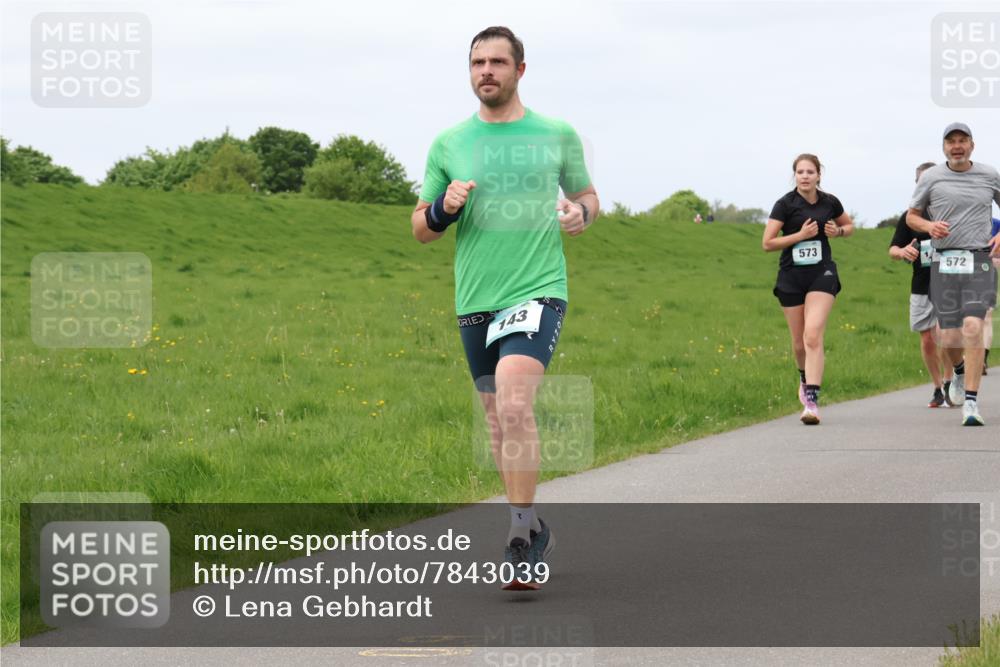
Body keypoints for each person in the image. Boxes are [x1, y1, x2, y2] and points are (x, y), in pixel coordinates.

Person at [410, 26, 599, 588]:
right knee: (497, 421)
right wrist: (443, 208)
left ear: (520, 69)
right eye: (476, 63)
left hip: (538, 289)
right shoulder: (449, 143)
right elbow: (421, 229)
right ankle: (534, 523)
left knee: (515, 404)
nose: (485, 71)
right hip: (475, 297)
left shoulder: (556, 134)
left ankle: (519, 537)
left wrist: (578, 216)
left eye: (496, 61)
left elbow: (589, 198)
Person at [907, 122, 1000, 426]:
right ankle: (957, 371)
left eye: (963, 140)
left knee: (973, 327)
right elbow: (912, 216)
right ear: (944, 147)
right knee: (947, 335)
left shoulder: (989, 175)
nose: (957, 146)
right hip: (944, 261)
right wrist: (929, 227)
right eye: (951, 141)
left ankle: (971, 403)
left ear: (972, 145)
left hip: (979, 260)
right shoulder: (932, 177)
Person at [763, 154, 854, 425]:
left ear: (818, 175)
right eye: (800, 172)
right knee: (799, 343)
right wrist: (799, 236)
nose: (805, 176)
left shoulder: (830, 202)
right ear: (795, 175)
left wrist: (837, 232)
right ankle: (803, 378)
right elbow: (767, 243)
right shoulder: (785, 205)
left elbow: (849, 226)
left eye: (810, 171)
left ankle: (812, 403)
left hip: (821, 273)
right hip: (791, 276)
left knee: (812, 334)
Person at [888, 162, 955, 407]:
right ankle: (937, 386)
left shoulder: (950, 211)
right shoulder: (909, 217)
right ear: (917, 184)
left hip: (948, 282)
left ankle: (950, 383)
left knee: (944, 334)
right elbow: (892, 249)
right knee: (927, 339)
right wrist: (903, 251)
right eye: (922, 181)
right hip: (920, 283)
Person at [984, 216, 1000, 374]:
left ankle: (982, 358)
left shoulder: (996, 224)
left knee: (986, 316)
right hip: (963, 274)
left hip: (988, 273)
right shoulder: (962, 221)